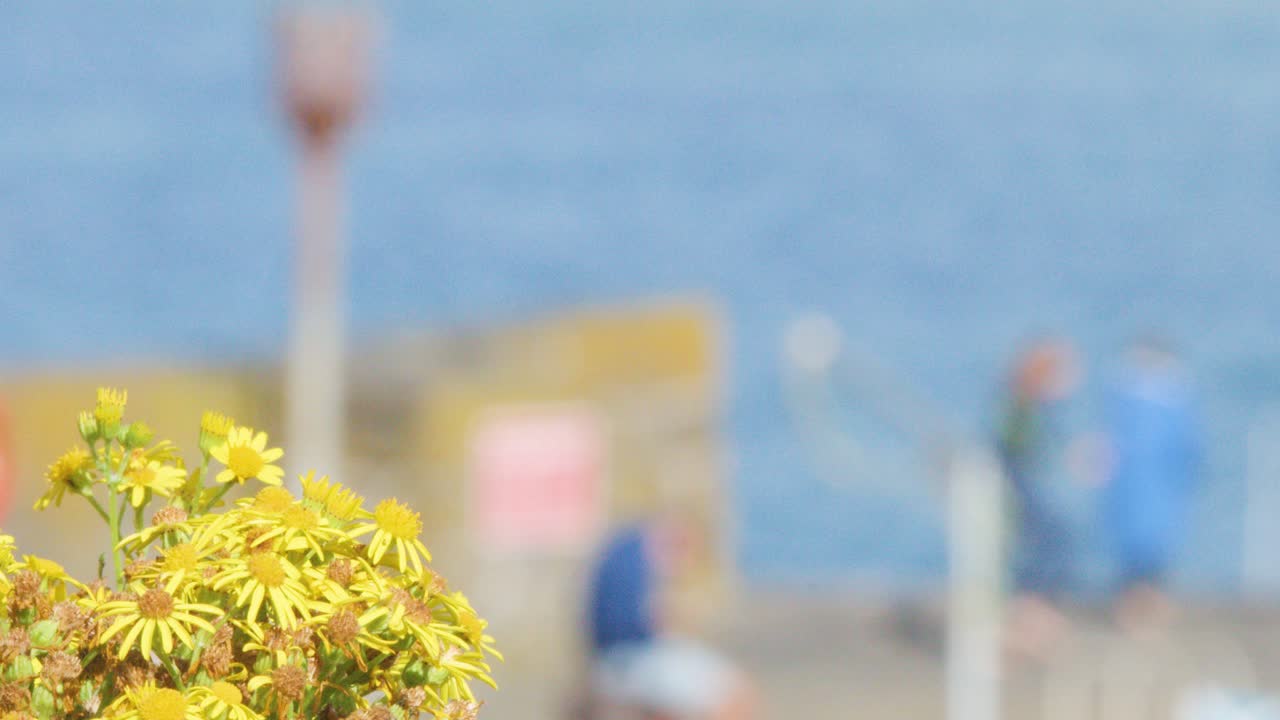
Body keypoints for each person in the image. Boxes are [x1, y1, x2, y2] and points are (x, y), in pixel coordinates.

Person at [582, 516, 755, 720]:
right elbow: (652, 619)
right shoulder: (645, 556)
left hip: (612, 657)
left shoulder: (622, 550)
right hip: (638, 657)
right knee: (737, 693)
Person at [1102, 337, 1201, 630]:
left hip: (1148, 495)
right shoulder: (1170, 399)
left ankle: (1143, 615)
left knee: (1146, 556)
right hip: (1145, 495)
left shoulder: (1136, 399)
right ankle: (1143, 615)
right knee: (1144, 556)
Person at [995, 337, 1080, 658]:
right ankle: (1029, 615)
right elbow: (1012, 447)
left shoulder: (1025, 401)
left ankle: (1031, 614)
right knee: (1052, 541)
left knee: (1054, 539)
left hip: (1019, 483)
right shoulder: (1024, 402)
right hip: (1017, 485)